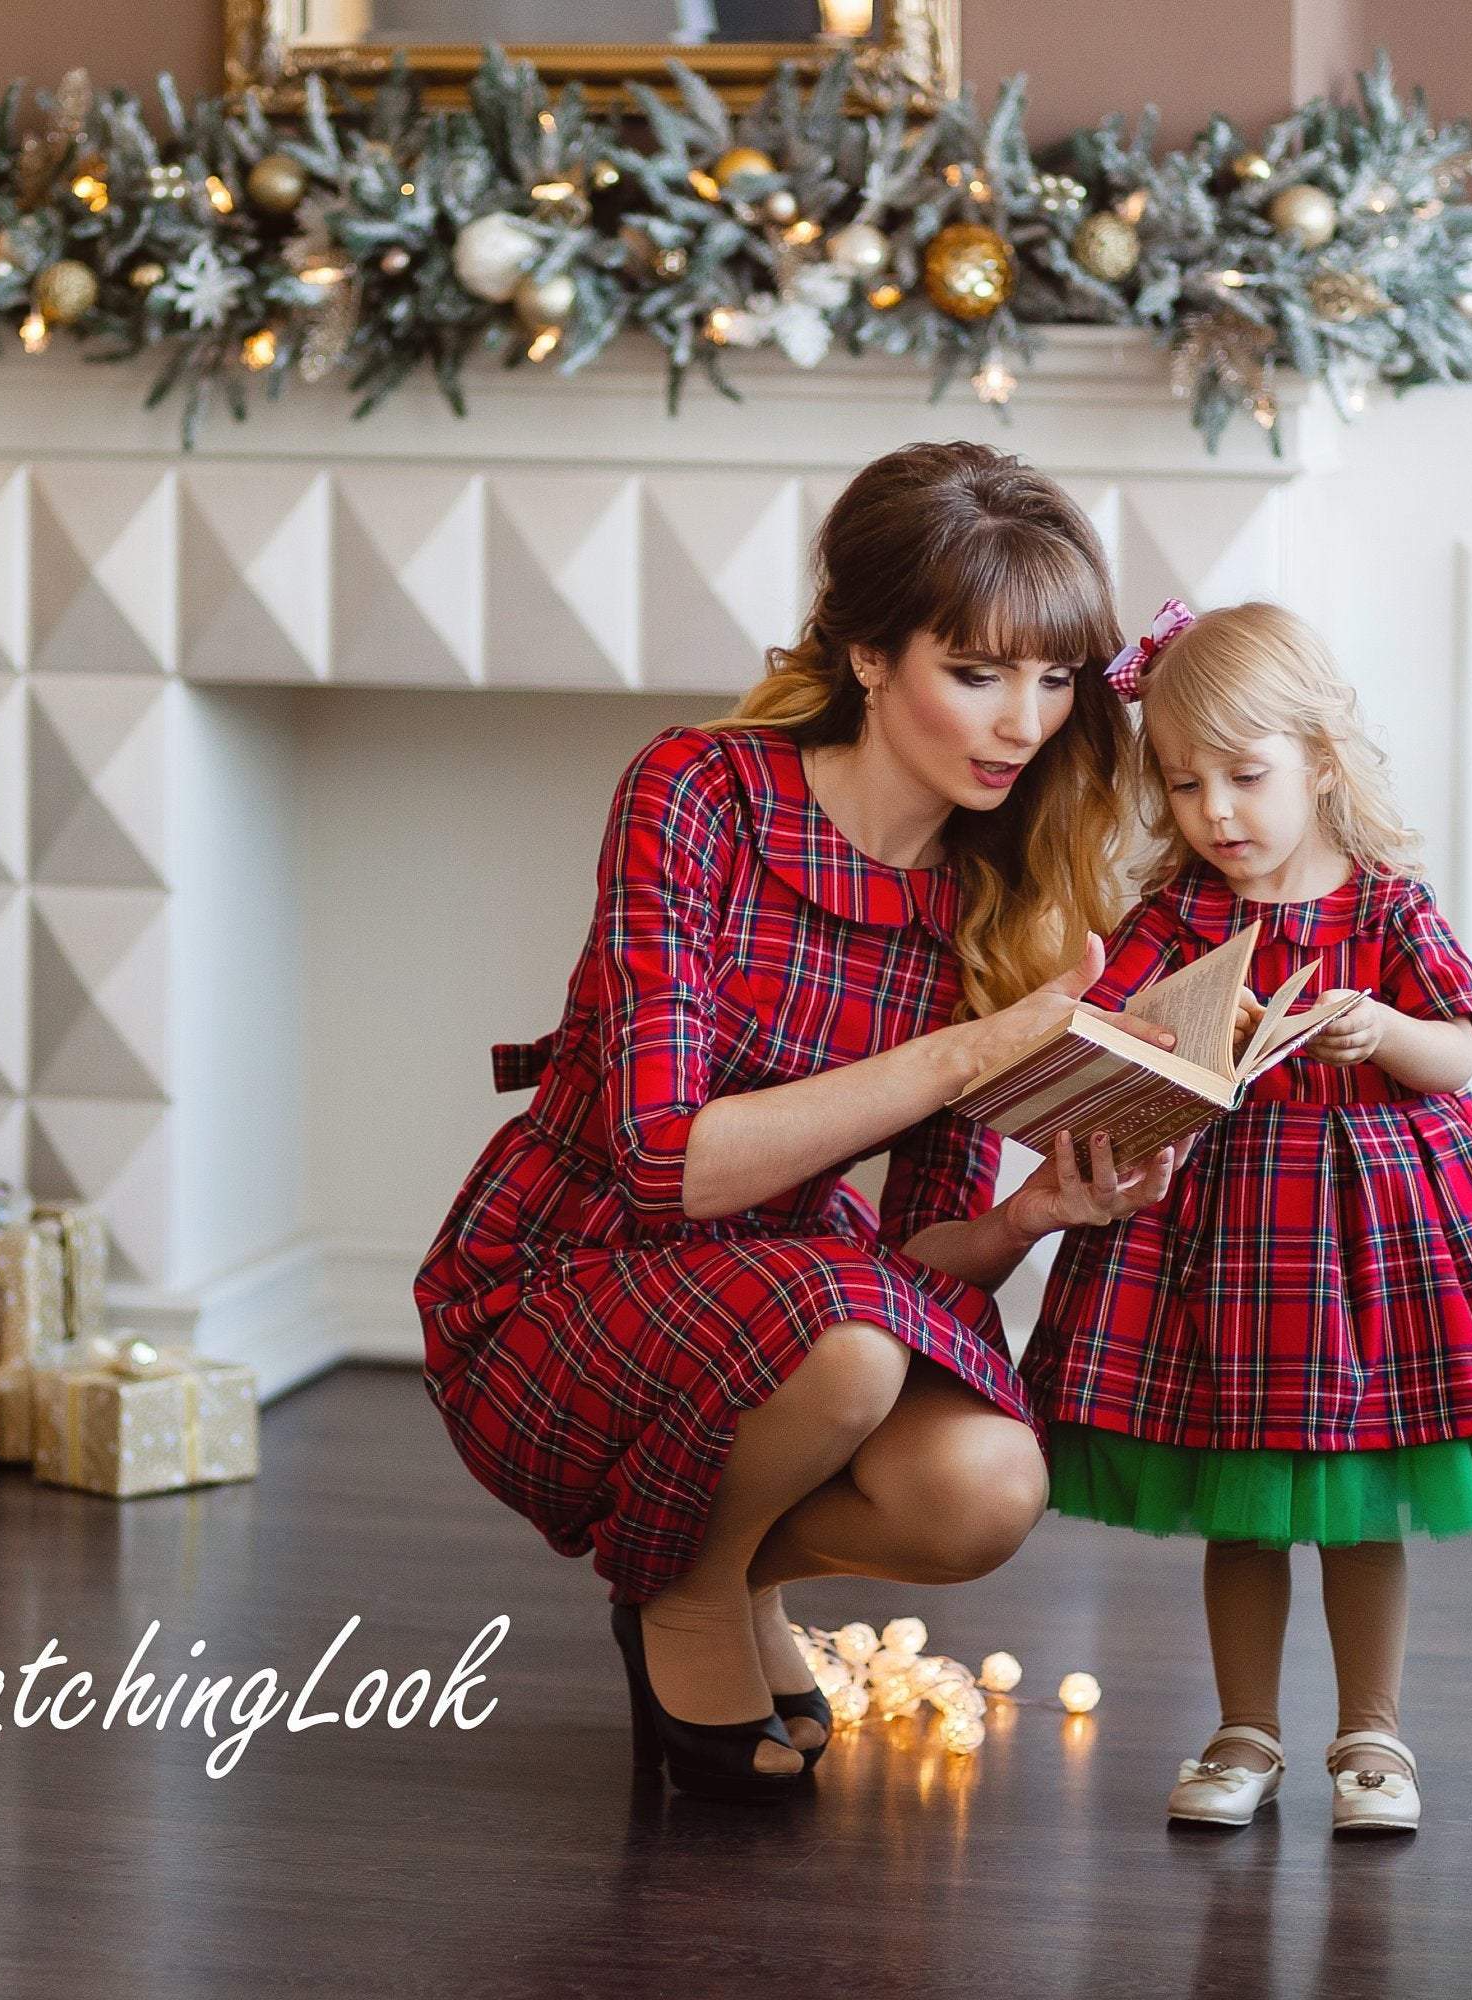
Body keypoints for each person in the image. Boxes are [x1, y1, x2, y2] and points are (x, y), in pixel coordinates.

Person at [415, 442, 1181, 1802]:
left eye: (1056, 678)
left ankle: (706, 1562)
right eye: (980, 671)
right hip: (570, 1281)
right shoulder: (697, 793)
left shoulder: (986, 896)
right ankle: (697, 1595)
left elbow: (914, 1269)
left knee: (987, 1482)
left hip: (804, 1314)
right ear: (873, 656)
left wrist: (1025, 1218)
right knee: (844, 1340)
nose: (1025, 722)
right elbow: (668, 1167)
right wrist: (974, 1052)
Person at [1024, 599, 1472, 1836]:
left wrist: (1380, 1028)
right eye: (1184, 786)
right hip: (1220, 1248)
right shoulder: (1185, 913)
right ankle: (1246, 1725)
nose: (1216, 814)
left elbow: (1455, 1057)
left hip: (1366, 1246)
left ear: (1320, 758)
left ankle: (1373, 1731)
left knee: (1356, 1499)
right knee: (1240, 1503)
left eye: (1245, 777)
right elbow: (1117, 1027)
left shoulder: (1386, 907)